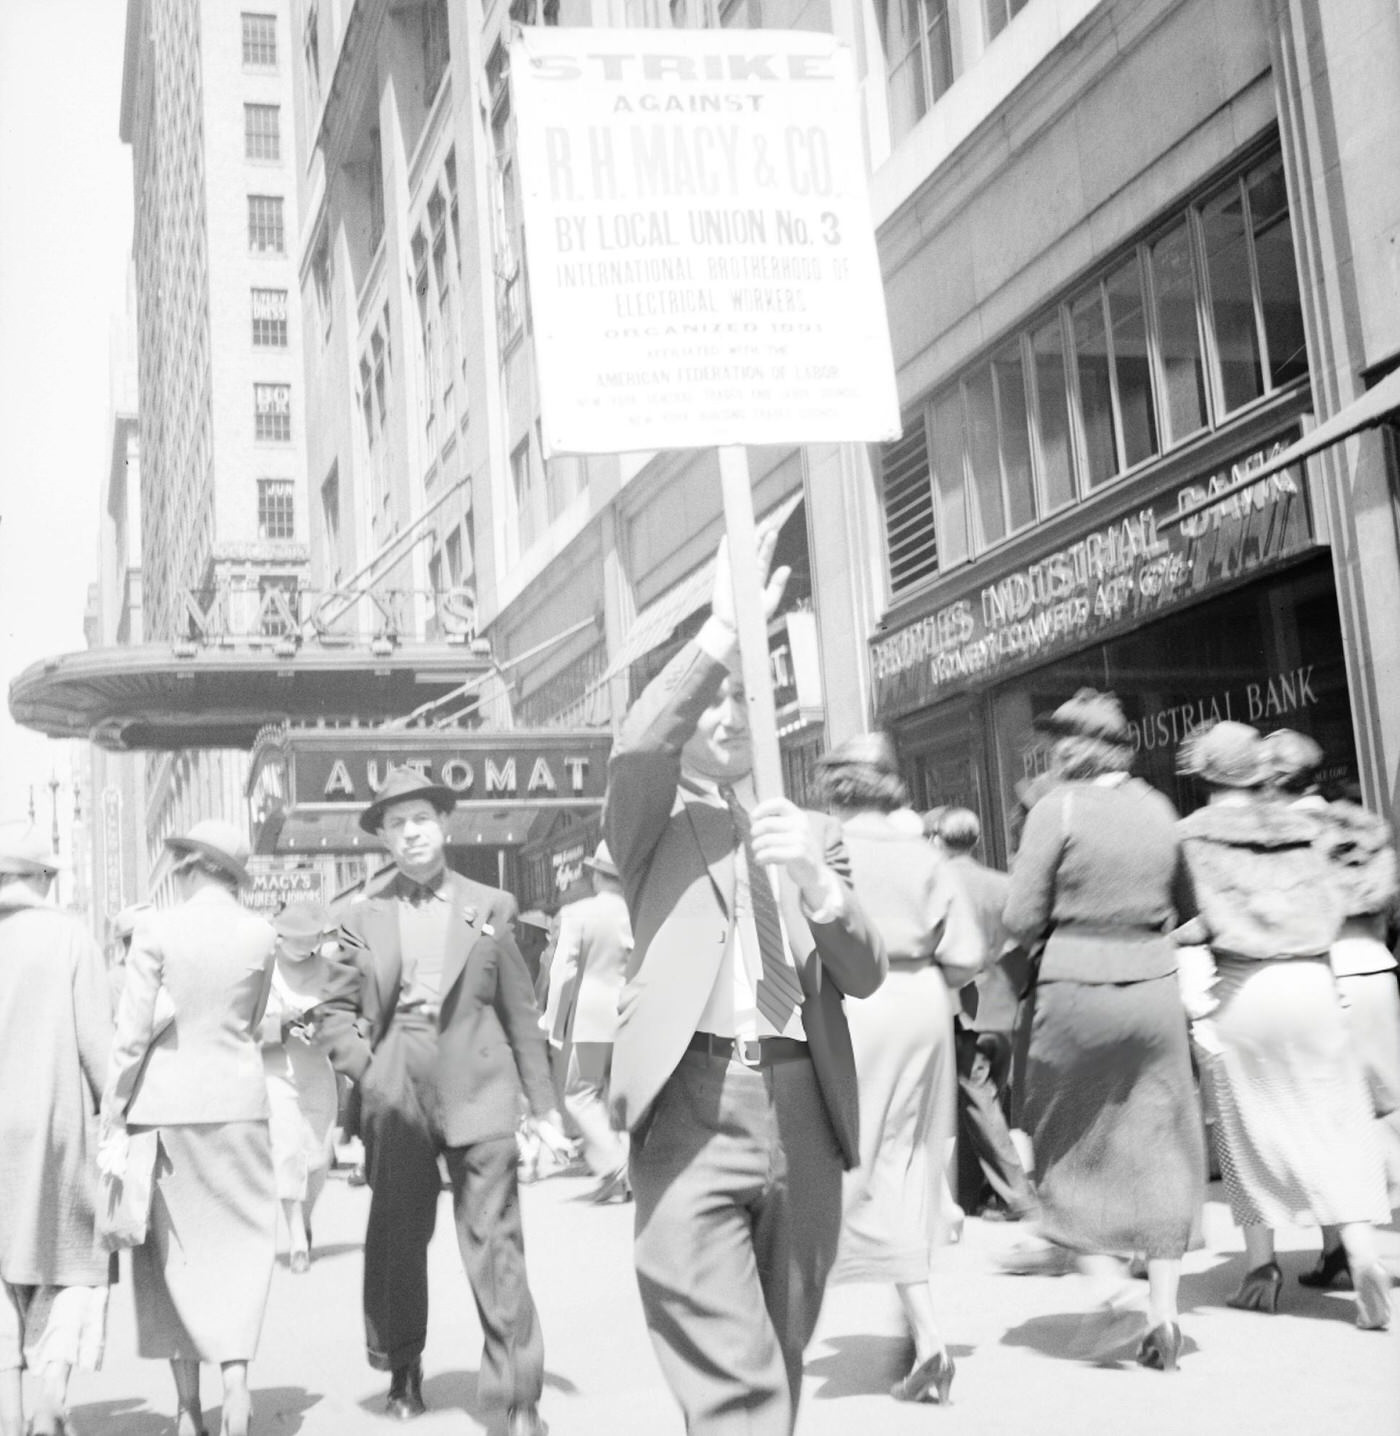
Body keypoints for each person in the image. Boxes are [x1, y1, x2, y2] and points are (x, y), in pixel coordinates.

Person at [604, 532, 886, 1436]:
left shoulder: (807, 830)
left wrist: (821, 884)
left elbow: (865, 972)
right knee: (734, 1380)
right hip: (693, 1105)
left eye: (742, 695)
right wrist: (724, 632)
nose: (725, 715)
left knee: (779, 1352)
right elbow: (641, 742)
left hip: (803, 1106)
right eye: (712, 700)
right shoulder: (651, 823)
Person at [318, 767, 566, 1436]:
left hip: (480, 1091)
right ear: (383, 840)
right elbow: (335, 1013)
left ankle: (517, 1396)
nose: (410, 833)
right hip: (396, 1096)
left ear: (445, 825)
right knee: (399, 1240)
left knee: (497, 1243)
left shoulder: (491, 905)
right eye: (395, 824)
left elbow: (520, 1009)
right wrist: (369, 1075)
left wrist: (543, 1106)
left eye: (420, 819)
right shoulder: (357, 917)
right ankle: (403, 1368)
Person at [1003, 690, 1204, 1373]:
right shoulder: (1159, 807)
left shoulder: (1054, 809)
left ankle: (1107, 1286)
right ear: (1121, 748)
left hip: (1077, 987)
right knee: (1160, 1142)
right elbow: (1187, 908)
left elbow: (1020, 917)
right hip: (1153, 988)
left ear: (1067, 750)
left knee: (1062, 1137)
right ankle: (1166, 1312)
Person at [1175, 722, 1392, 1331]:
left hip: (1245, 989)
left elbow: (1189, 925)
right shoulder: (1306, 830)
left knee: (1248, 1130)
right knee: (1337, 1125)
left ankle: (1261, 1269)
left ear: (1207, 775)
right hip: (1314, 982)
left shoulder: (1189, 837)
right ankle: (1364, 1254)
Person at [816, 735, 981, 1406]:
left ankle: (927, 1332)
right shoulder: (924, 851)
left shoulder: (826, 848)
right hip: (923, 1001)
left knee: (866, 1159)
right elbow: (966, 952)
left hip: (857, 1000)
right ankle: (918, 1316)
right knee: (912, 1155)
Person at [101, 819, 278, 1436]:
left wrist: (113, 1114)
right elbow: (254, 1020)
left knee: (172, 1259)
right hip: (239, 1104)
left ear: (187, 866)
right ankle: (236, 1379)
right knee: (240, 1246)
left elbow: (129, 1037)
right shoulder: (260, 933)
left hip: (165, 1110)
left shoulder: (156, 930)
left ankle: (185, 1410)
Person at [1262, 729, 1400, 1290]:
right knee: (1388, 1107)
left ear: (1270, 778)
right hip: (1374, 971)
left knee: (1320, 1118)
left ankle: (1339, 1248)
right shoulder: (1357, 823)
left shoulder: (1276, 835)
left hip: (1316, 976)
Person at [0, 823, 113, 1436]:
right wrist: (118, 1118)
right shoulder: (70, 937)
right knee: (74, 1264)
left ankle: (9, 1409)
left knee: (3, 1267)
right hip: (58, 1125)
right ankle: (52, 1398)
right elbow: (99, 1048)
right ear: (44, 878)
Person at [928, 807, 1037, 1225]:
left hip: (963, 1002)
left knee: (977, 1098)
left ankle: (1017, 1196)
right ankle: (973, 1193)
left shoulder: (938, 884)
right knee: (986, 1095)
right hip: (1004, 1002)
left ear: (938, 838)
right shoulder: (1003, 884)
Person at [540, 841, 634, 1202]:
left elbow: (564, 970)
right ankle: (628, 1166)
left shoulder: (577, 913)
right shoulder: (641, 910)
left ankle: (615, 1163)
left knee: (581, 1093)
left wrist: (555, 1023)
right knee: (622, 1096)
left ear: (596, 876)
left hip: (591, 1021)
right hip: (633, 1016)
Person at [259, 902, 340, 1275]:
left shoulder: (327, 970)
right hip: (275, 1061)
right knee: (287, 1150)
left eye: (313, 938)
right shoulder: (263, 969)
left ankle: (303, 1217)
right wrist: (278, 1022)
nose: (308, 945)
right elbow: (241, 1024)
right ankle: (296, 1240)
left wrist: (324, 1030)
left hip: (317, 1064)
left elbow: (347, 1018)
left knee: (319, 1155)